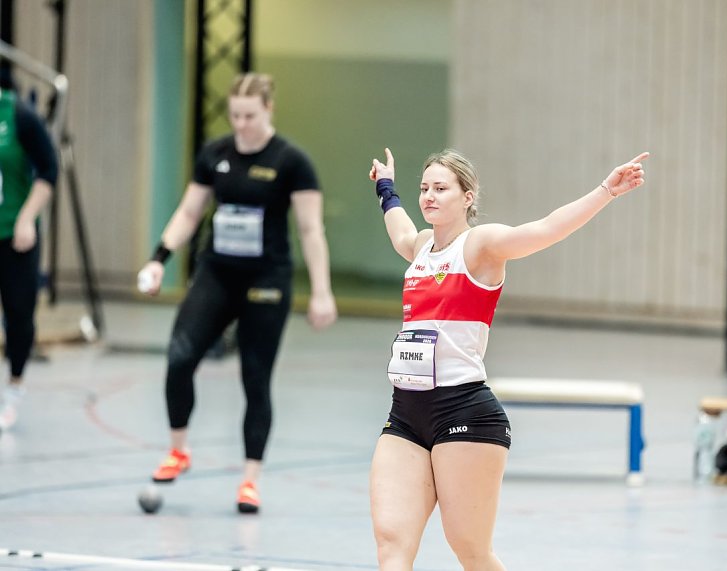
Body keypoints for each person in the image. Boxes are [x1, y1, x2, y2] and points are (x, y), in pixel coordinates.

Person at [367, 147, 648, 570]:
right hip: (406, 413)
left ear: (467, 196)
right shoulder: (422, 246)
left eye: (441, 188)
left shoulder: (481, 245)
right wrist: (387, 187)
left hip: (463, 412)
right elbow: (400, 229)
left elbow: (547, 228)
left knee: (470, 550)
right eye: (424, 188)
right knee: (392, 542)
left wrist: (606, 190)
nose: (429, 196)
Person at [138, 73, 337, 513]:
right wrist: (158, 259)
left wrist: (321, 291)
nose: (241, 124)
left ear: (269, 110)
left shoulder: (292, 162)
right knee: (180, 357)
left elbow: (310, 230)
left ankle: (250, 480)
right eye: (235, 116)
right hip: (217, 273)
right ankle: (178, 450)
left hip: (266, 279)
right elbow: (189, 213)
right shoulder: (215, 154)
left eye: (250, 116)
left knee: (255, 378)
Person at [0, 84, 59, 431]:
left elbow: (48, 170)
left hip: (14, 235)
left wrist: (27, 217)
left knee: (19, 314)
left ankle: (15, 386)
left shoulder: (19, 115)